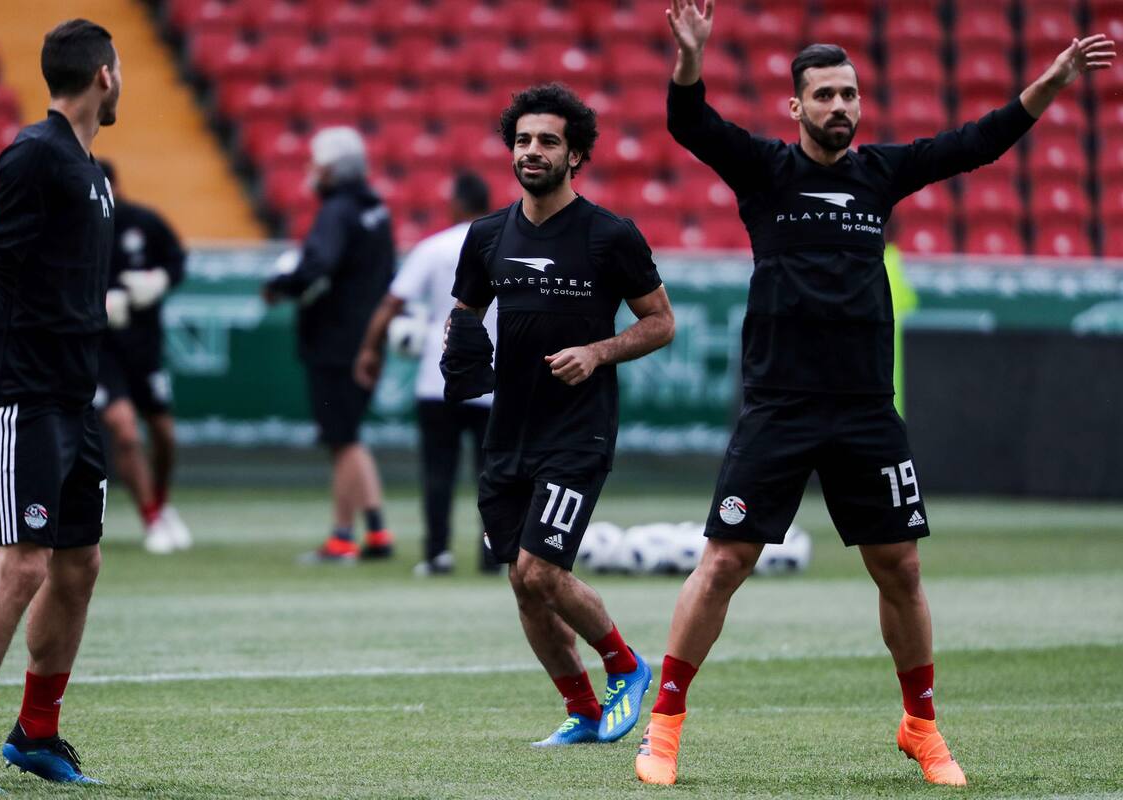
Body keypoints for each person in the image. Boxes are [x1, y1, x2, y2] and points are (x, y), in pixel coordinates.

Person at [634, 0, 1116, 787]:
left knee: (901, 569)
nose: (840, 107)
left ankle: (921, 725)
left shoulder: (880, 173)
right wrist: (690, 59)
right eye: (824, 95)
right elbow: (690, 123)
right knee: (724, 562)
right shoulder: (765, 171)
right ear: (796, 107)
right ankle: (665, 724)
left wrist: (1053, 79)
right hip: (779, 409)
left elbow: (978, 144)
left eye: (850, 94)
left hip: (865, 413)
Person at [0, 18, 123, 791]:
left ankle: (36, 732)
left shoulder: (92, 169)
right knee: (21, 566)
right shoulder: (34, 153)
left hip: (76, 399)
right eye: (121, 70)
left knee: (79, 564)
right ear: (104, 74)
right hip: (25, 396)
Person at [449, 84, 675, 747]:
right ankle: (580, 711)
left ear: (575, 153)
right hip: (507, 432)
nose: (532, 151)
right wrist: (460, 345)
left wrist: (599, 352)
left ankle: (626, 667)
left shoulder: (611, 236)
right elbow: (465, 313)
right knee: (522, 583)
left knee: (542, 569)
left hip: (579, 430)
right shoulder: (487, 235)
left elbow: (661, 323)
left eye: (547, 141)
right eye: (522, 140)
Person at [355, 171, 500, 576]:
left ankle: (437, 553)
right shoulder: (504, 245)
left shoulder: (434, 248)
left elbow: (392, 303)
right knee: (492, 475)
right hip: (492, 380)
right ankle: (491, 554)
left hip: (438, 380)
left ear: (457, 203)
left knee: (438, 470)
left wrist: (369, 349)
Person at [263, 126, 396, 563]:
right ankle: (377, 533)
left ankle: (342, 538)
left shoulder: (338, 210)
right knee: (350, 435)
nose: (310, 171)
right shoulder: (375, 208)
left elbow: (319, 263)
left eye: (317, 163)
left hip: (337, 339)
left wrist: (280, 284)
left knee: (342, 438)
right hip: (367, 338)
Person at [95, 159, 191, 555]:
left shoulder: (143, 222)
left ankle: (161, 501)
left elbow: (177, 260)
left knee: (164, 433)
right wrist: (95, 304)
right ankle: (150, 516)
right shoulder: (74, 229)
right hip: (99, 350)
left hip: (145, 347)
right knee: (125, 429)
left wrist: (158, 280)